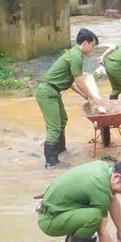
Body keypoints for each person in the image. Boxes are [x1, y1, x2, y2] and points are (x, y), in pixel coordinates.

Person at [35, 29, 106, 168]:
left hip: (52, 91)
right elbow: (79, 81)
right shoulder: (76, 57)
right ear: (85, 43)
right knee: (54, 127)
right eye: (92, 45)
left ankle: (60, 150)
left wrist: (83, 95)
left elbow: (71, 81)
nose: (92, 49)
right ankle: (51, 162)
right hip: (47, 92)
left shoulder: (74, 54)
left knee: (62, 120)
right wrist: (94, 97)